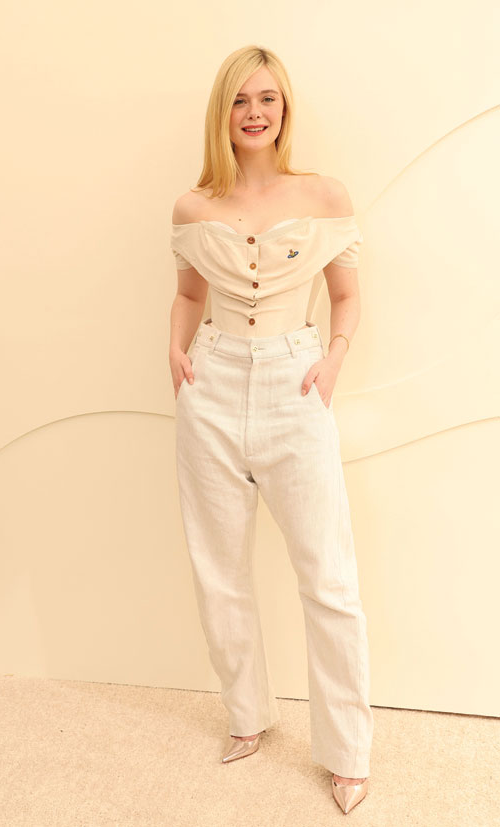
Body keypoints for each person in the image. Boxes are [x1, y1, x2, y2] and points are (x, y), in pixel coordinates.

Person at [168, 44, 374, 815]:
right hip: (212, 384)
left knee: (328, 578)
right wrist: (174, 350)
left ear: (284, 110)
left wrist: (333, 359)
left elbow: (346, 296)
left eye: (267, 99)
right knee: (217, 568)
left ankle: (347, 752)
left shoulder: (322, 196)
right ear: (221, 112)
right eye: (239, 100)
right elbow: (188, 294)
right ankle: (247, 715)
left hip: (296, 381)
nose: (253, 113)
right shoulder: (193, 207)